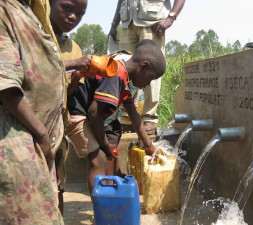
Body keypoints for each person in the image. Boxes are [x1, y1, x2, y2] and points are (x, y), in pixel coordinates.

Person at [66, 39, 166, 194]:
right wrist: (105, 146)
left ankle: (109, 195)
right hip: (74, 112)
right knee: (98, 159)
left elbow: (134, 115)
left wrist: (149, 146)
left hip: (83, 113)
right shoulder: (116, 75)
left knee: (108, 149)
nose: (147, 84)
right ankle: (103, 213)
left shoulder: (124, 79)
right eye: (150, 79)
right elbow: (94, 113)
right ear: (144, 66)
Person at [0, 0, 64, 224]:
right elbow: (6, 87)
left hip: (35, 140)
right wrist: (41, 133)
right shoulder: (4, 10)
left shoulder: (28, 11)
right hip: (16, 141)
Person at [109, 0, 186, 135]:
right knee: (125, 69)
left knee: (151, 70)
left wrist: (171, 17)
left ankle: (149, 117)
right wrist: (114, 23)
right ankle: (127, 118)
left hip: (152, 22)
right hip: (127, 21)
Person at [49, 0, 91, 215]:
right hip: (32, 127)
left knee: (58, 185)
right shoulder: (36, 35)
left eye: (80, 14)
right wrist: (73, 64)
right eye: (66, 8)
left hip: (57, 127)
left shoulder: (73, 47)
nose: (73, 17)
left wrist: (75, 80)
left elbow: (71, 94)